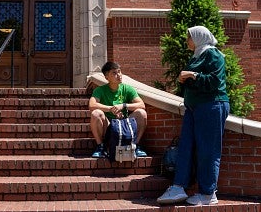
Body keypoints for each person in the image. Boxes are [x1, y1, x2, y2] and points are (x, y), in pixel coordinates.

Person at [157, 26, 230, 205]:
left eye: (189, 37)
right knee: (186, 147)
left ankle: (208, 193)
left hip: (212, 106)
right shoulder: (196, 55)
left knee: (208, 150)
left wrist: (193, 75)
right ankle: (178, 187)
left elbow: (214, 81)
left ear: (198, 37)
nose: (187, 41)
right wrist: (185, 79)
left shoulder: (213, 54)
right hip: (194, 108)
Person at [88, 61, 148, 158]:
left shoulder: (127, 89)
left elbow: (141, 104)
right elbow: (92, 105)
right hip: (108, 126)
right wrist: (110, 109)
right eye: (114, 73)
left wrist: (123, 106)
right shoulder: (100, 90)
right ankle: (101, 147)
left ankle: (136, 146)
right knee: (96, 113)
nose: (119, 75)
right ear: (106, 77)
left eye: (119, 71)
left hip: (124, 124)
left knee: (141, 113)